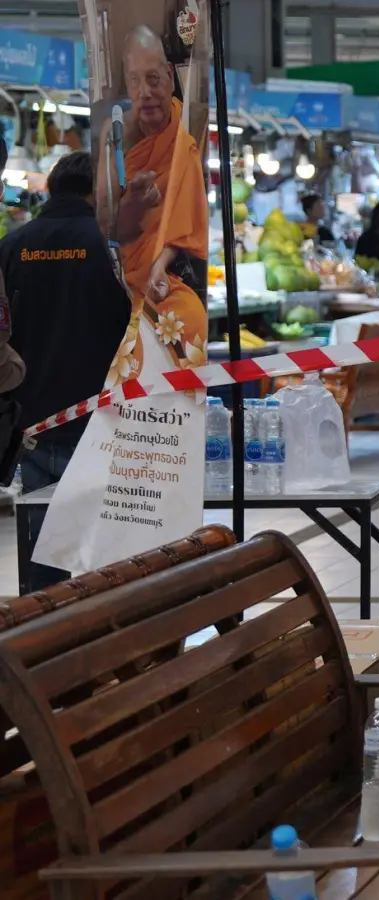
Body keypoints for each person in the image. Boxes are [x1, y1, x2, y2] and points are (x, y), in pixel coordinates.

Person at [0, 151, 122, 592]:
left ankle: (40, 648)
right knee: (111, 552)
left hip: (29, 421)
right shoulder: (111, 246)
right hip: (99, 422)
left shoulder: (12, 245)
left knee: (42, 557)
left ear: (51, 189)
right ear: (97, 192)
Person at [104, 24, 209, 376]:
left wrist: (159, 266)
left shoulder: (183, 147)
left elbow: (184, 224)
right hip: (116, 274)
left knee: (188, 316)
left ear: (168, 76)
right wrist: (133, 202)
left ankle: (168, 422)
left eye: (153, 78)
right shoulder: (115, 138)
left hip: (161, 276)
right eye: (135, 81)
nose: (145, 92)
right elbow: (108, 223)